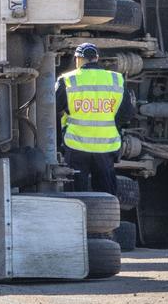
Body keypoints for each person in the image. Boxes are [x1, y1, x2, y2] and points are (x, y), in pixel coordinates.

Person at [56, 43, 134, 197]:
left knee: (75, 196)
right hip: (106, 148)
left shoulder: (68, 80)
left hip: (75, 146)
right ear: (97, 58)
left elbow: (52, 109)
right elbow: (126, 113)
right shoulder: (116, 79)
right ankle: (108, 221)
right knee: (107, 196)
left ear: (78, 59)